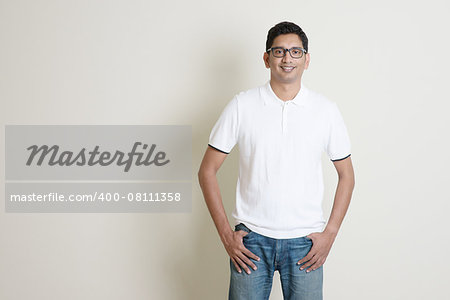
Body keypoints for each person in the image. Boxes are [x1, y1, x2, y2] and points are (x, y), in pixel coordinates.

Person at [198, 21, 355, 300]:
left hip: (305, 243)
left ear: (306, 60)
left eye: (295, 52)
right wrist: (226, 234)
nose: (287, 58)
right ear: (266, 58)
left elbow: (347, 176)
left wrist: (330, 233)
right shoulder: (242, 105)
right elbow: (207, 171)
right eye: (279, 51)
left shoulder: (325, 111)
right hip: (251, 241)